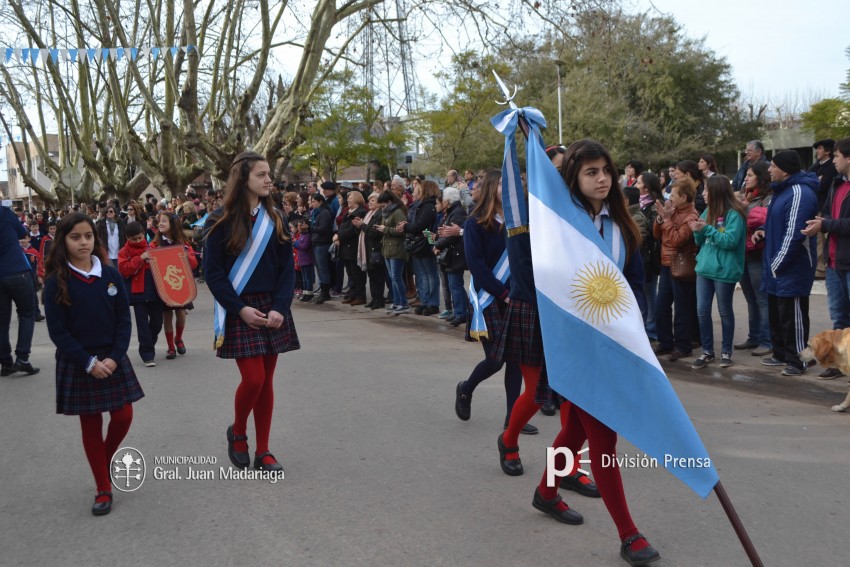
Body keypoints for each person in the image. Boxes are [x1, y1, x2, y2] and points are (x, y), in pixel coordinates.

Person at [513, 140, 659, 565]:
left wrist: (635, 335)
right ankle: (629, 534)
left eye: (605, 170)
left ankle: (545, 491)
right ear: (573, 180)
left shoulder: (623, 226)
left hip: (615, 346)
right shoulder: (559, 226)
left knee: (575, 432)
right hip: (573, 350)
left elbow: (635, 286)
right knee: (602, 440)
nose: (601, 179)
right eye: (590, 172)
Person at [204, 151, 300, 473]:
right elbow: (214, 274)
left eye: (268, 173)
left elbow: (288, 269)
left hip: (271, 307)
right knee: (254, 379)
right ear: (243, 178)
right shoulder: (219, 220)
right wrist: (240, 309)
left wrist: (280, 308)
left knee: (267, 381)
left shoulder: (276, 218)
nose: (268, 179)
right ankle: (239, 431)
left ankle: (264, 450)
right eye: (261, 174)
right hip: (239, 308)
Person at [43, 212, 144, 516]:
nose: (83, 242)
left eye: (88, 236)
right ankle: (103, 486)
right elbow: (58, 331)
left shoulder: (110, 275)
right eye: (75, 237)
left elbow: (123, 321)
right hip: (79, 361)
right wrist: (88, 362)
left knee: (124, 415)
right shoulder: (55, 281)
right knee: (91, 422)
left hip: (113, 356)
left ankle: (104, 457)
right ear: (64, 241)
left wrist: (114, 356)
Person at [454, 169, 538, 435]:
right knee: (495, 360)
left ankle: (512, 419)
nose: (510, 187)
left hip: (516, 297)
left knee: (514, 360)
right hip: (489, 297)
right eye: (503, 183)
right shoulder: (475, 223)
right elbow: (477, 267)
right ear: (491, 187)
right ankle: (466, 388)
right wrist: (503, 294)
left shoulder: (519, 222)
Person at [753, 150, 818, 376]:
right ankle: (781, 354)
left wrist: (777, 263)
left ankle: (800, 359)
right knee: (778, 315)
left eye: (773, 166)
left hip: (792, 266)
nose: (769, 170)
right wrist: (762, 231)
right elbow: (777, 224)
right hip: (776, 265)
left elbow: (795, 233)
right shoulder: (782, 192)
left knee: (793, 316)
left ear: (785, 169)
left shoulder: (800, 192)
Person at [803, 137, 850, 379]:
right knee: (839, 317)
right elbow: (829, 215)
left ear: (848, 158)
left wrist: (826, 224)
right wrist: (821, 223)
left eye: (837, 156)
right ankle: (838, 363)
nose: (833, 161)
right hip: (834, 263)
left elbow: (837, 222)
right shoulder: (836, 184)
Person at [688, 176, 746, 369]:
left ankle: (726, 352)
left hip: (724, 271)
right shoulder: (707, 211)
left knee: (724, 311)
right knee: (702, 311)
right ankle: (707, 351)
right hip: (704, 268)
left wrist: (708, 229)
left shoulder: (734, 214)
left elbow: (730, 241)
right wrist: (697, 230)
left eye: (706, 190)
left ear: (716, 192)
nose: (703, 194)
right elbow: (699, 241)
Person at [652, 177, 700, 361]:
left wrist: (667, 220)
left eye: (673, 194)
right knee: (661, 306)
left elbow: (678, 240)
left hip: (680, 266)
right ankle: (665, 342)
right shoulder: (672, 211)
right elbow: (657, 234)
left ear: (684, 197)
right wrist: (661, 218)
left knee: (682, 308)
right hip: (665, 264)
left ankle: (683, 345)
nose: (669, 197)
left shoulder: (691, 216)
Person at [734, 161, 773, 357]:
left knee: (761, 298)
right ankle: (754, 336)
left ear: (760, 176)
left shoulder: (767, 197)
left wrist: (743, 209)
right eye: (746, 175)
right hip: (743, 252)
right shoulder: (744, 196)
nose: (746, 178)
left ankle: (767, 340)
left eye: (750, 175)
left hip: (758, 253)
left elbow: (763, 219)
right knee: (750, 298)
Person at [150, 212, 198, 359]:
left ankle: (179, 338)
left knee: (181, 313)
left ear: (173, 224)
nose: (160, 224)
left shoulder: (183, 243)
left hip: (182, 284)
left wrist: (186, 255)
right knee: (167, 315)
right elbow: (150, 260)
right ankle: (171, 346)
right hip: (165, 286)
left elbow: (194, 264)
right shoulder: (155, 244)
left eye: (164, 221)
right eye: (159, 221)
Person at [118, 221, 165, 367]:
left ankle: (147, 345)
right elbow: (124, 270)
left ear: (143, 234)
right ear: (127, 238)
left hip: (155, 290)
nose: (138, 241)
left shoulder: (153, 247)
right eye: (134, 239)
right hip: (137, 293)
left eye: (140, 237)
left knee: (157, 322)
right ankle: (147, 354)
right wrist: (140, 258)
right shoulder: (123, 252)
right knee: (142, 325)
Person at [0, 201, 39, 376]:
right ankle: (22, 358)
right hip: (17, 271)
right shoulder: (5, 213)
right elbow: (23, 232)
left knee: (1, 322)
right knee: (27, 314)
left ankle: (5, 363)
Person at [399, 179, 440, 316]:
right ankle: (424, 300)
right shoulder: (421, 205)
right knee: (422, 275)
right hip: (420, 243)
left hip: (425, 243)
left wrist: (406, 226)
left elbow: (419, 225)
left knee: (429, 274)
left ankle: (432, 302)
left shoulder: (428, 206)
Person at [434, 187, 468, 326]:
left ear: (448, 201)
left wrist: (438, 245)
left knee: (455, 285)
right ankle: (460, 311)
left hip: (456, 255)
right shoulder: (453, 212)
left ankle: (461, 313)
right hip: (453, 254)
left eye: (443, 200)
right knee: (454, 285)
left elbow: (452, 235)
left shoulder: (456, 213)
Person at [636, 172, 664, 341]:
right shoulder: (641, 204)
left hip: (650, 255)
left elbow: (654, 232)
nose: (635, 185)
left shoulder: (655, 205)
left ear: (646, 187)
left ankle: (651, 328)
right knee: (645, 293)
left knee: (650, 294)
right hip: (643, 255)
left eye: (638, 183)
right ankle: (646, 326)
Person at [375, 190, 409, 314]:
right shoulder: (387, 213)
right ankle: (397, 302)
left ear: (389, 202)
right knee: (392, 277)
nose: (382, 208)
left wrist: (386, 229)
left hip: (397, 248)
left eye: (383, 206)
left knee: (396, 277)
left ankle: (403, 302)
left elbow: (402, 230)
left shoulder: (398, 212)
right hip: (388, 248)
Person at [352, 192, 387, 310]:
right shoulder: (369, 214)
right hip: (368, 248)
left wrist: (362, 225)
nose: (370, 202)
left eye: (373, 200)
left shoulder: (380, 214)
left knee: (377, 276)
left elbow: (374, 232)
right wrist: (358, 225)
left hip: (375, 248)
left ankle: (379, 299)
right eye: (369, 200)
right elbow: (364, 232)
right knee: (371, 275)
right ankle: (374, 298)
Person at [337, 191, 367, 306]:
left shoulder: (360, 212)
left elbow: (352, 231)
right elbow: (342, 226)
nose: (348, 199)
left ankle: (360, 295)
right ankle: (353, 294)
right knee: (350, 273)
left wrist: (339, 236)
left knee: (357, 274)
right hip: (345, 247)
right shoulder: (348, 212)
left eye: (351, 197)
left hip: (354, 246)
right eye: (348, 197)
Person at [309, 193, 334, 304]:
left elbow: (323, 229)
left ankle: (325, 292)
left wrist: (310, 227)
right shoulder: (315, 212)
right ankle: (322, 291)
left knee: (323, 268)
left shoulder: (324, 213)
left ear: (320, 202)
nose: (312, 204)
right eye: (311, 201)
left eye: (314, 201)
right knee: (319, 268)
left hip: (323, 243)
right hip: (316, 242)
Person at [293, 219, 315, 303]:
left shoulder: (307, 235)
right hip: (301, 260)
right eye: (298, 225)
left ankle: (309, 293)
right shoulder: (301, 235)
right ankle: (306, 293)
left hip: (307, 260)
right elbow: (298, 245)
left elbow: (304, 246)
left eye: (301, 225)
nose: (299, 227)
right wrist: (297, 243)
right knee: (304, 278)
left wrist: (296, 243)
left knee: (308, 278)